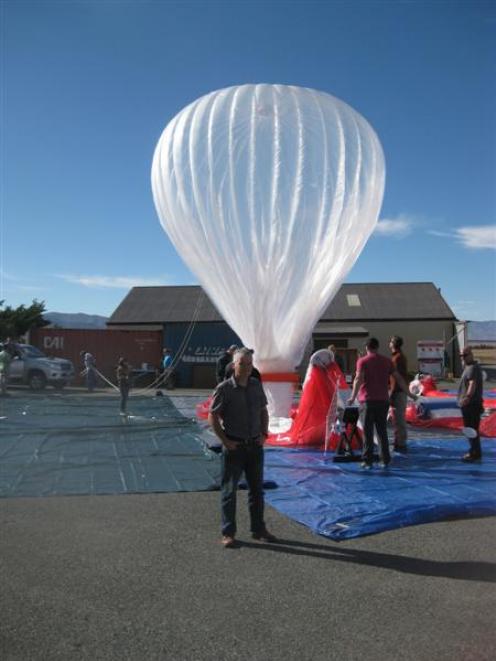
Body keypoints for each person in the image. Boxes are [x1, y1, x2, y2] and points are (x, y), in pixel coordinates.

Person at [208, 347, 276, 548]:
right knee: (229, 491)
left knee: (257, 491)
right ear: (233, 365)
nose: (246, 368)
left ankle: (258, 529)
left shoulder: (256, 385)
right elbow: (213, 415)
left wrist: (264, 434)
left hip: (255, 446)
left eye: (249, 364)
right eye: (242, 364)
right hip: (234, 447)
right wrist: (225, 441)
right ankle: (228, 532)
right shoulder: (224, 389)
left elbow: (264, 410)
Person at [347, 337, 414, 469]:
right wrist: (409, 393)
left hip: (367, 400)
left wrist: (352, 396)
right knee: (382, 431)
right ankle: (385, 459)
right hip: (383, 400)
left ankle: (367, 460)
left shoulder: (362, 361)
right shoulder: (387, 361)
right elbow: (399, 378)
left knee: (368, 432)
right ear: (377, 347)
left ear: (367, 348)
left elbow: (358, 379)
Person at [457, 347, 484, 462]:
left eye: (465, 355)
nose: (463, 358)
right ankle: (474, 451)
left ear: (471, 354)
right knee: (472, 429)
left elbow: (472, 384)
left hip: (471, 405)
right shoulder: (469, 367)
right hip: (471, 404)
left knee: (471, 429)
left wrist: (467, 398)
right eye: (461, 356)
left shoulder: (472, 368)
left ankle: (474, 453)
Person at [389, 335, 409, 452]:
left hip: (398, 391)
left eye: (390, 341)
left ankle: (401, 442)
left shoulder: (397, 358)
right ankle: (399, 440)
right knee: (396, 418)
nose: (389, 343)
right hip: (398, 391)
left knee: (399, 418)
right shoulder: (397, 357)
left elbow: (398, 378)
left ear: (393, 344)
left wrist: (392, 393)